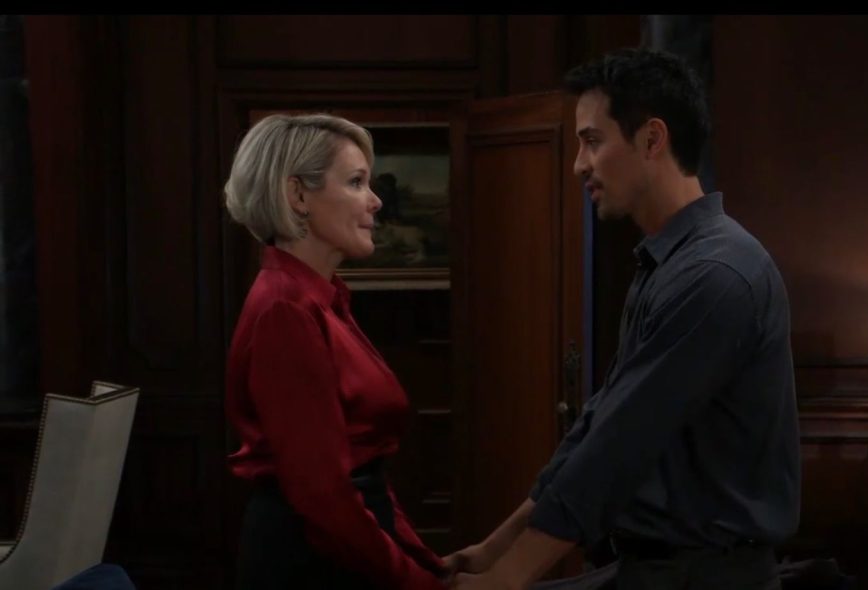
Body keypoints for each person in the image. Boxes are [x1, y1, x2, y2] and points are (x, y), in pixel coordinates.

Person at [448, 48, 801, 590]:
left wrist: (508, 578)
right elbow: (598, 425)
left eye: (592, 141)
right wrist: (496, 549)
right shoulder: (668, 261)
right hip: (656, 568)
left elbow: (618, 445)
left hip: (705, 576)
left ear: (652, 139)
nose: (578, 164)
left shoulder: (715, 274)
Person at [222, 113, 448, 590]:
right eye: (356, 182)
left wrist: (424, 562)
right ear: (297, 195)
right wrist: (418, 582)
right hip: (310, 562)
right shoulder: (285, 309)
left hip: (346, 548)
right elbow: (323, 496)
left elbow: (364, 468)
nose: (376, 200)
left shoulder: (322, 298)